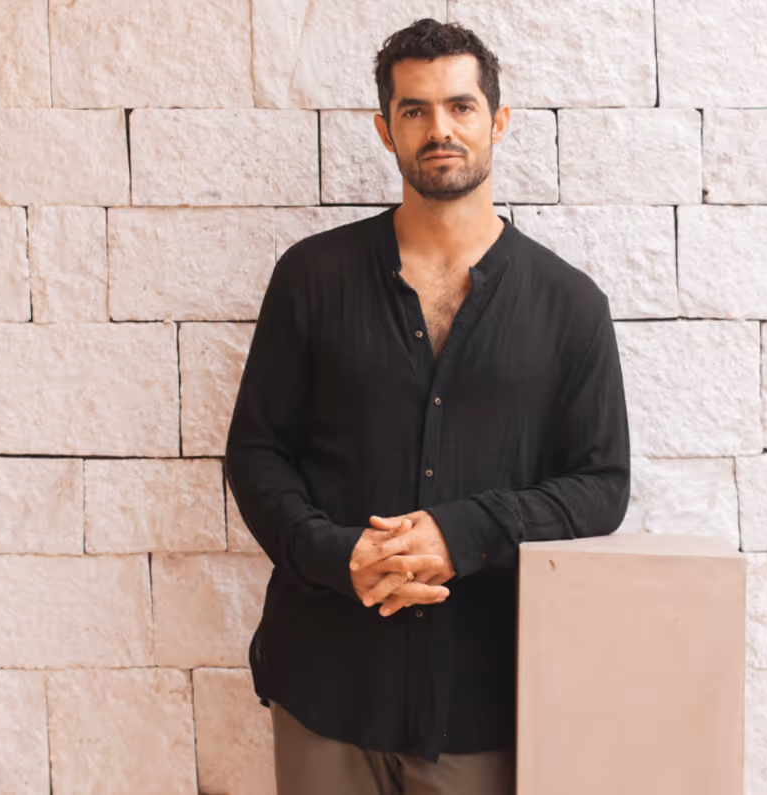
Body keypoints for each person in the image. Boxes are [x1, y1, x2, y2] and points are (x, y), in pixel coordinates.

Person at [226, 17, 630, 795]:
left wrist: (463, 532)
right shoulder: (310, 278)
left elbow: (600, 484)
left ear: (497, 121)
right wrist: (330, 552)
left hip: (487, 696)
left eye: (459, 106)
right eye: (414, 110)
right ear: (385, 130)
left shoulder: (570, 305)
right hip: (327, 680)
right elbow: (256, 451)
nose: (438, 128)